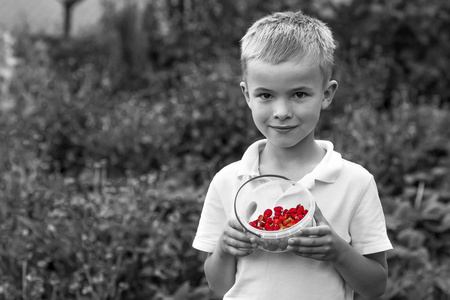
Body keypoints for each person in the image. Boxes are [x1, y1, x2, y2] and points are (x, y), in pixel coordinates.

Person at [192, 10, 392, 300]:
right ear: (247, 95)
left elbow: (376, 287)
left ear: (326, 94)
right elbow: (218, 284)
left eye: (299, 94)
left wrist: (338, 252)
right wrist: (224, 248)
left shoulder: (355, 182)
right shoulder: (228, 181)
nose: (282, 112)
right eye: (266, 95)